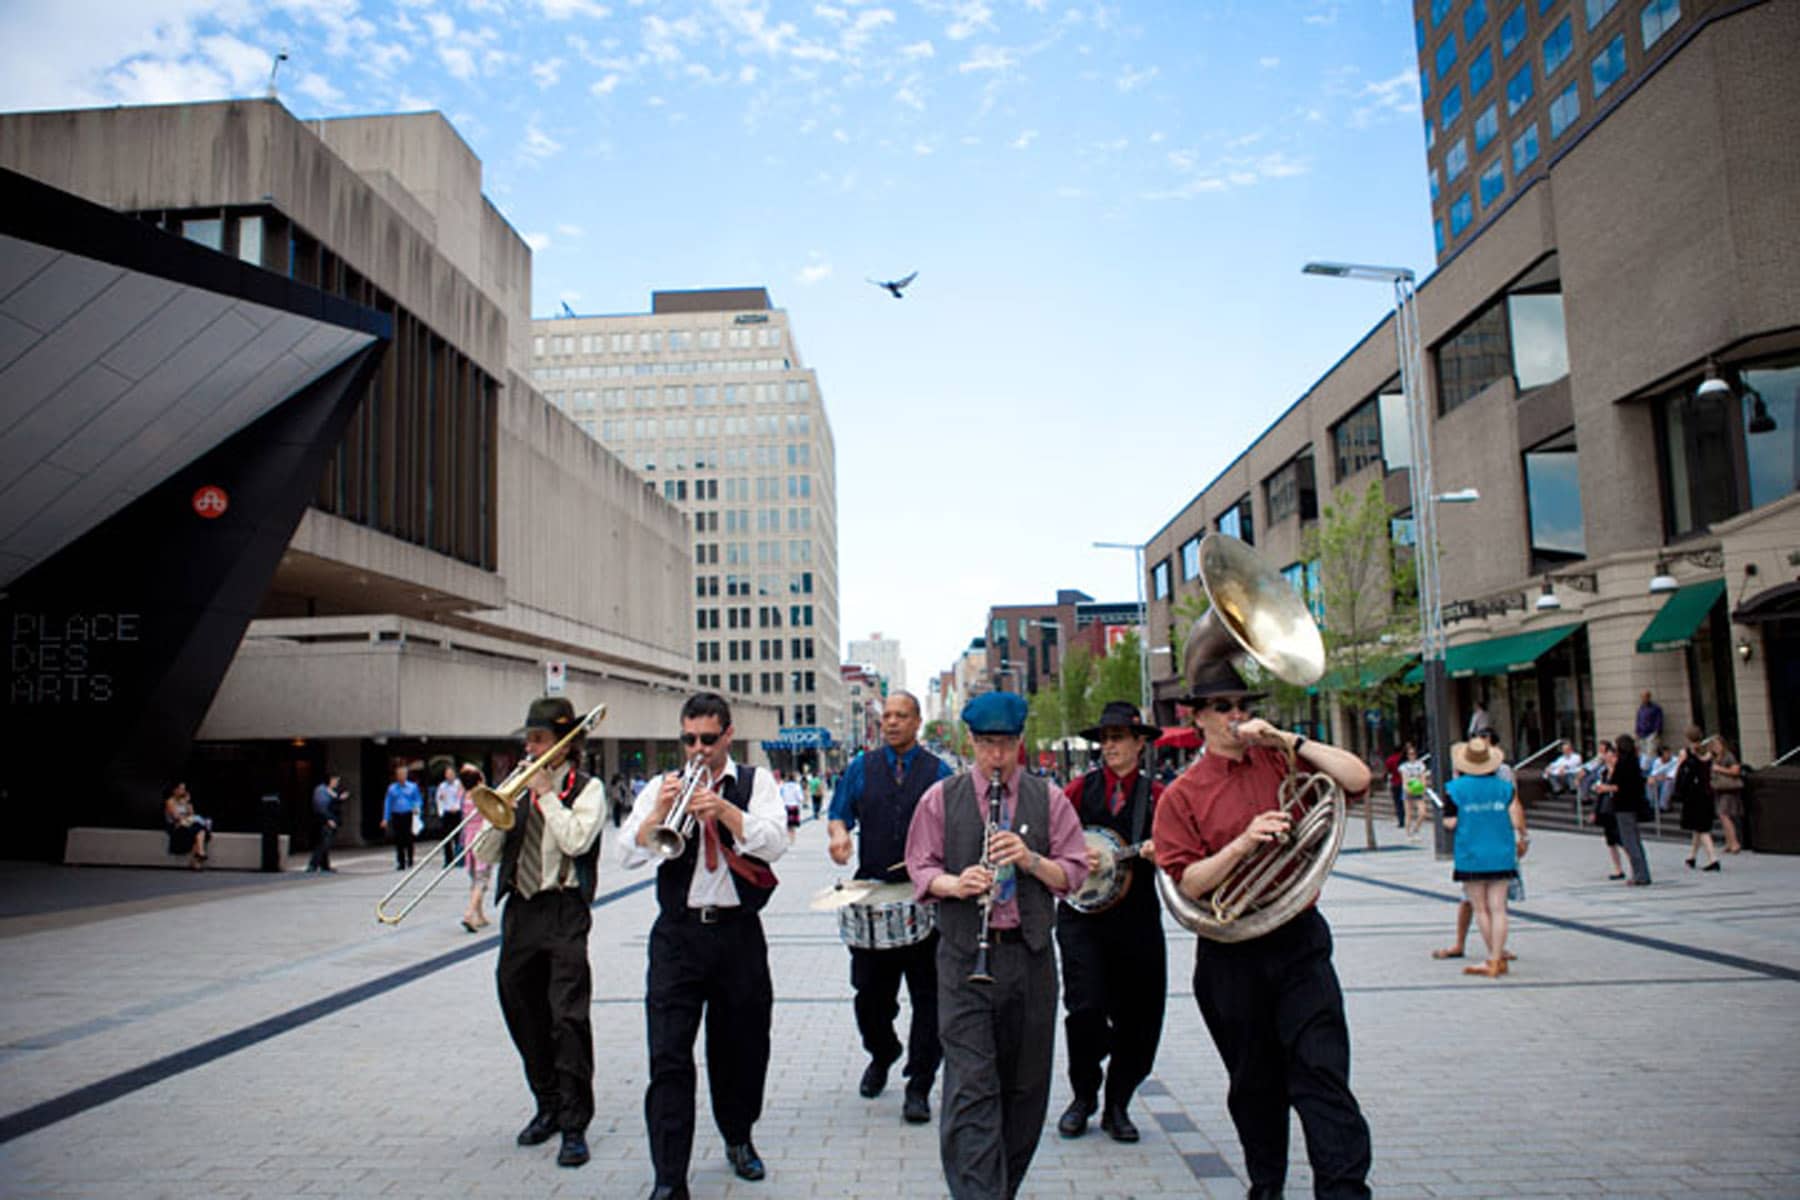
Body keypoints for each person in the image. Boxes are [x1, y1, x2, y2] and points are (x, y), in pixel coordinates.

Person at [1153, 660, 1374, 1200]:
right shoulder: (1181, 794)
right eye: (1222, 707)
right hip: (1231, 954)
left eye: (1242, 706)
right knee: (1254, 1086)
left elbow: (1357, 779)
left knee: (1322, 1073)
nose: (1236, 716)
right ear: (1199, 718)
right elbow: (1190, 882)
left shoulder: (1282, 760)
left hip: (1298, 938)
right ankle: (1267, 1186)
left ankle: (1344, 1191)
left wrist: (1287, 739)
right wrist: (1244, 843)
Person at [904, 690, 1088, 1200]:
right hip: (964, 958)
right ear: (970, 741)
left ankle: (999, 1187)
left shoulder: (1049, 799)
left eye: (1006, 744)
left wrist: (1029, 859)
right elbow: (921, 868)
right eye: (987, 744)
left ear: (1020, 741)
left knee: (1025, 1089)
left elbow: (1073, 873)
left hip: (1029, 957)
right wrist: (956, 883)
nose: (997, 756)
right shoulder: (941, 798)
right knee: (971, 1087)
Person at [620, 692, 787, 1200]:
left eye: (708, 739)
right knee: (668, 1055)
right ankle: (670, 1176)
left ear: (728, 736)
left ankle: (738, 1136)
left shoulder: (756, 783)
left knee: (742, 1048)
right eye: (689, 739)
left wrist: (725, 811)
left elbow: (775, 842)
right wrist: (659, 814)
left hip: (738, 934)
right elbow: (626, 853)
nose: (698, 750)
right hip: (677, 935)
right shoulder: (661, 786)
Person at [468, 698, 606, 1169]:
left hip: (563, 907)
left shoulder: (586, 789)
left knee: (567, 1017)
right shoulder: (519, 785)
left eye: (539, 739)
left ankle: (574, 1122)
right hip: (521, 910)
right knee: (520, 1006)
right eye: (528, 739)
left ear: (564, 744)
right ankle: (546, 1102)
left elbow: (576, 841)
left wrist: (546, 795)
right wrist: (496, 811)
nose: (530, 748)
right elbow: (487, 853)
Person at [828, 690, 953, 1123]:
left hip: (923, 897)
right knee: (869, 996)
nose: (892, 722)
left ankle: (919, 1084)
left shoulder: (939, 772)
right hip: (873, 897)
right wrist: (839, 837)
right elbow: (839, 814)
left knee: (929, 998)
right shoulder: (861, 768)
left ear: (918, 722)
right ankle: (882, 1052)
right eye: (887, 716)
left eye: (902, 716)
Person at [1052, 700, 1165, 1145]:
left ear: (1140, 743)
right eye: (1105, 739)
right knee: (1085, 1008)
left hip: (1137, 918)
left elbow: (1183, 849)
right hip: (1082, 917)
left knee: (1139, 1016)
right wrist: (1076, 855)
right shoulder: (1079, 790)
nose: (1110, 747)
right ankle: (1083, 1096)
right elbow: (1051, 840)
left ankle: (1119, 1102)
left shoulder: (1158, 797)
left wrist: (1163, 851)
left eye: (1118, 738)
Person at [1442, 738, 1528, 977]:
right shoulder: (1505, 788)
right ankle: (1498, 957)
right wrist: (1523, 837)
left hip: (1471, 853)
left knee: (1480, 909)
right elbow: (1515, 817)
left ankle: (1492, 959)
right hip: (1502, 851)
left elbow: (1450, 822)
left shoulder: (1454, 789)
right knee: (1499, 908)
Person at [1593, 735, 1652, 886]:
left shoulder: (1623, 764)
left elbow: (1619, 785)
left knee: (1629, 841)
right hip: (1633, 804)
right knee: (1635, 841)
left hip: (1623, 805)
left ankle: (1640, 875)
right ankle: (1642, 872)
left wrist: (1605, 788)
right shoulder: (1634, 761)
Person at [1673, 726, 1721, 872]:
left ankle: (1713, 859)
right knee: (1699, 827)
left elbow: (1678, 771)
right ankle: (1692, 857)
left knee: (1702, 828)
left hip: (1693, 794)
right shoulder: (1708, 753)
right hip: (1707, 792)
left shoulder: (1686, 753)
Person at [458, 764, 493, 932]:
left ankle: (480, 915)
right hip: (482, 839)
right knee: (481, 879)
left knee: (474, 879)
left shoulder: (464, 795)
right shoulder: (482, 795)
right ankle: (469, 914)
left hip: (468, 839)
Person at [381, 762, 423, 871]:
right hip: (397, 815)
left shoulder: (412, 787)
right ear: (396, 775)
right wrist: (385, 818)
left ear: (406, 775)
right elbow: (388, 803)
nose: (401, 776)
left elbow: (418, 800)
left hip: (408, 814)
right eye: (399, 774)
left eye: (403, 774)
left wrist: (416, 808)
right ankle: (401, 862)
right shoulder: (392, 788)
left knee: (408, 838)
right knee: (398, 839)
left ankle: (410, 859)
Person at [1708, 735, 1745, 853]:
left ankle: (1734, 843)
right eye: (1713, 746)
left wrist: (1719, 769)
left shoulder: (1729, 756)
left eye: (1717, 745)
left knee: (1724, 814)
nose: (1716, 748)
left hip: (1728, 789)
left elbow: (1735, 771)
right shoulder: (1713, 757)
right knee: (1722, 815)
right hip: (1718, 789)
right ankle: (1729, 842)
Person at [163, 782, 212, 870]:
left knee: (199, 829)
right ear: (175, 790)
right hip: (176, 827)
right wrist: (186, 817)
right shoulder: (170, 801)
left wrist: (187, 803)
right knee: (199, 830)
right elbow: (176, 817)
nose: (183, 791)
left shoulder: (185, 802)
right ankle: (198, 857)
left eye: (184, 789)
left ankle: (199, 854)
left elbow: (192, 814)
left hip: (187, 825)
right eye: (181, 789)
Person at [306, 775, 344, 873]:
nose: (337, 783)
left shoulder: (330, 790)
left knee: (326, 843)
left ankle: (324, 865)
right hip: (324, 821)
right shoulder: (321, 790)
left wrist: (339, 798)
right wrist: (328, 819)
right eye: (335, 781)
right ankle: (313, 865)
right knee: (323, 843)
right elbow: (321, 807)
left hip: (331, 819)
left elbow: (333, 804)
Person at [1398, 743, 1431, 842]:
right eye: (1410, 754)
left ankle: (1416, 830)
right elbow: (1404, 779)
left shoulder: (1420, 765)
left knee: (1422, 812)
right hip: (1408, 789)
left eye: (1413, 754)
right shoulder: (1404, 766)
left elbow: (1423, 777)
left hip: (1418, 789)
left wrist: (1423, 786)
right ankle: (1408, 834)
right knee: (1408, 813)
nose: (1412, 756)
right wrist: (1407, 788)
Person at [435, 764, 466, 868]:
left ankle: (459, 859)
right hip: (447, 813)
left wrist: (458, 808)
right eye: (448, 774)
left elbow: (462, 798)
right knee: (447, 838)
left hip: (457, 812)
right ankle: (448, 860)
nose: (450, 776)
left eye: (451, 774)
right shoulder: (442, 786)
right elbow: (438, 799)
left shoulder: (459, 785)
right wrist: (441, 812)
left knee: (459, 837)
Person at [1646, 745, 1678, 812]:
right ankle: (1652, 806)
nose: (1669, 755)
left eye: (1669, 752)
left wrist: (1664, 777)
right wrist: (1651, 778)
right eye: (1666, 753)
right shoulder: (1657, 761)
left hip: (1672, 780)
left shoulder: (1675, 760)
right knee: (1650, 783)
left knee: (1668, 783)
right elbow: (1653, 773)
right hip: (1660, 780)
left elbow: (1674, 774)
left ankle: (1663, 806)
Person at [779, 771, 804, 844]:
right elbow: (800, 798)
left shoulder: (783, 786)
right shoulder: (797, 786)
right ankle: (792, 839)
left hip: (786, 806)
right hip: (794, 806)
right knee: (793, 825)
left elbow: (781, 796)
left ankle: (788, 838)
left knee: (787, 824)